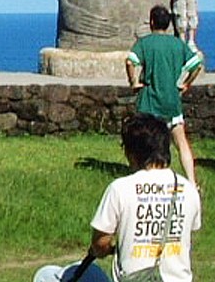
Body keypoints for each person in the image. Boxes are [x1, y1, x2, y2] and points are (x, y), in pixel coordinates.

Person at [34, 113, 202, 282]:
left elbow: (100, 244)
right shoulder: (187, 189)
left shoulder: (120, 189)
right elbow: (188, 232)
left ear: (132, 153)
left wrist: (108, 249)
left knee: (47, 275)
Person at [126, 5, 204, 185]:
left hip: (149, 102)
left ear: (152, 22)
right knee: (181, 142)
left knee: (144, 141)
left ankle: (141, 175)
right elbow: (196, 65)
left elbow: (130, 61)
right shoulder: (177, 43)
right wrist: (186, 83)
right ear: (168, 24)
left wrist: (134, 82)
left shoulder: (145, 43)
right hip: (171, 101)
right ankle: (192, 181)